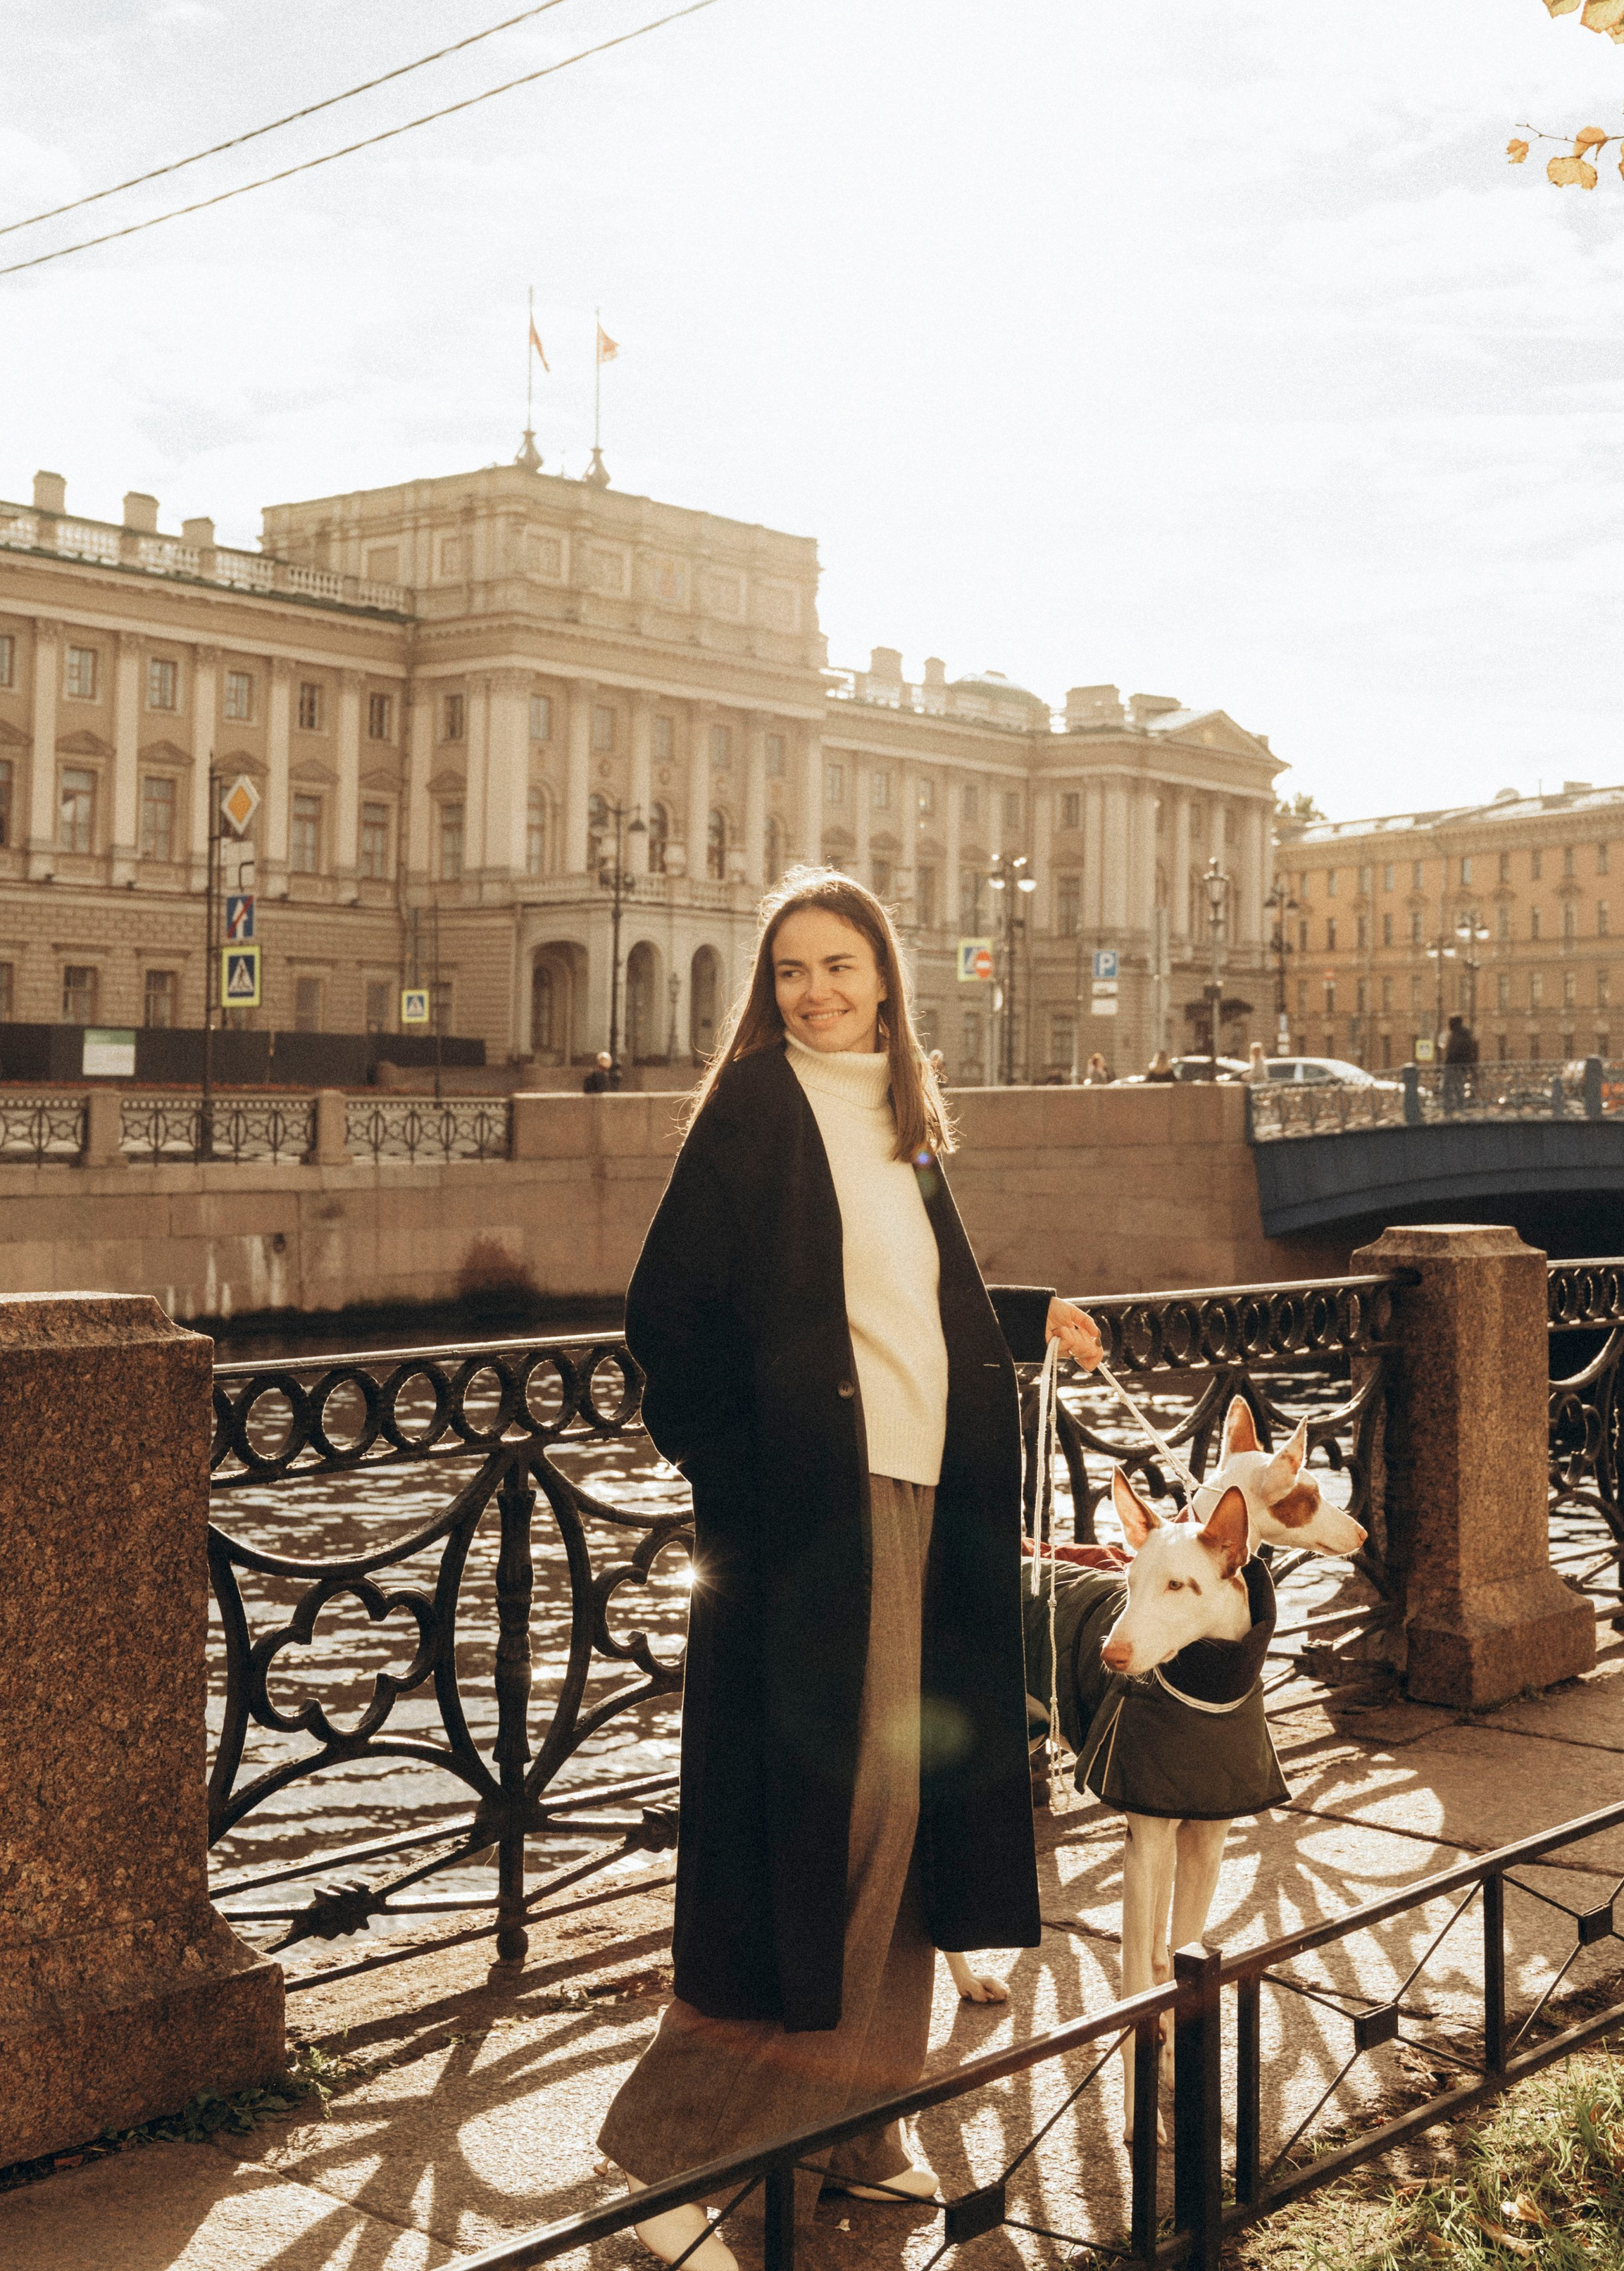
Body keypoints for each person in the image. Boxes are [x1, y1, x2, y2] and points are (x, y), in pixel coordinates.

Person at [596, 871, 1101, 2265]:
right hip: (820, 1510)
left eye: (837, 963)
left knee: (913, 1807)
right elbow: (667, 1317)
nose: (814, 989)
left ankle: (852, 2130)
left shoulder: (902, 1114)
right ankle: (701, 2135)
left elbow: (893, 1294)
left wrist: (1019, 1311)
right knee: (854, 1809)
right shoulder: (757, 1106)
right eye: (789, 971)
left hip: (931, 1495)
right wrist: (740, 1482)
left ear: (886, 975)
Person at [1442, 1014, 1478, 1111]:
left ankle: (1450, 1110)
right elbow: (1471, 1052)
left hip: (1454, 1066)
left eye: (1450, 1023)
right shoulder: (1462, 1034)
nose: (1449, 1025)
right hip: (1460, 1067)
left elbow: (1455, 1052)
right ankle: (1459, 1109)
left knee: (1448, 1089)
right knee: (1457, 1089)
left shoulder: (1459, 1035)